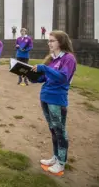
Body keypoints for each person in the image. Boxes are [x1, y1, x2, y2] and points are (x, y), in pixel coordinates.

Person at [30, 30, 77, 175]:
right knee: (53, 129)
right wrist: (32, 77)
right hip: (45, 97)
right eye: (48, 40)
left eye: (52, 41)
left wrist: (43, 68)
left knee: (60, 131)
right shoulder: (53, 59)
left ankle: (61, 163)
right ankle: (55, 157)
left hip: (57, 99)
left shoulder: (68, 59)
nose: (48, 43)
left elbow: (63, 78)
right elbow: (46, 78)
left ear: (61, 42)